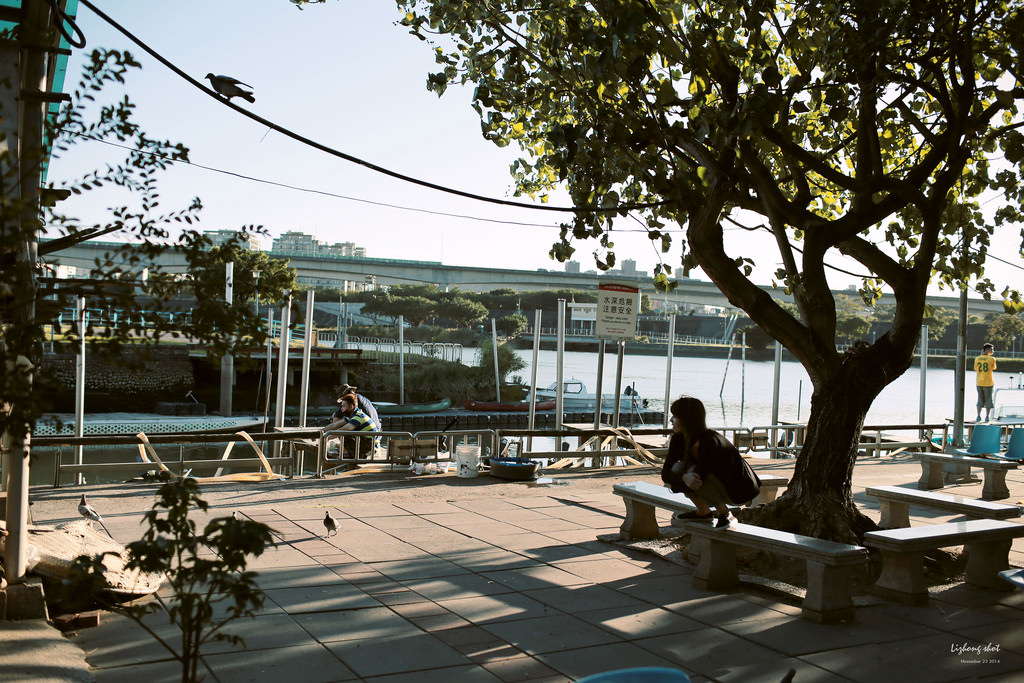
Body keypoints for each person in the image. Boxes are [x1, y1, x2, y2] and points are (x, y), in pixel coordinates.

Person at [661, 396, 761, 528]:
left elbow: (698, 478)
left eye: (675, 416)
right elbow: (665, 474)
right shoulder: (678, 439)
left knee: (690, 475)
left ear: (687, 419)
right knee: (679, 470)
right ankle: (703, 512)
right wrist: (682, 478)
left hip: (740, 489)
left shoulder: (710, 441)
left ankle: (725, 514)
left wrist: (680, 480)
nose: (671, 420)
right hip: (715, 484)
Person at [975, 343, 997, 422]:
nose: (992, 351)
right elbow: (993, 368)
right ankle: (987, 416)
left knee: (980, 399)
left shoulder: (977, 358)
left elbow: (975, 368)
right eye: (991, 349)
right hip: (988, 382)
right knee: (988, 400)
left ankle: (978, 416)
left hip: (979, 382)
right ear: (987, 349)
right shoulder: (992, 359)